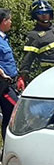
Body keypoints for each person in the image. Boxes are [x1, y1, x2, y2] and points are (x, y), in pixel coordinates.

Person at [0, 9, 23, 143]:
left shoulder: (4, 38)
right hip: (4, 85)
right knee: (16, 111)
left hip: (11, 83)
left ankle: (6, 149)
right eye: (9, 19)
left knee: (9, 116)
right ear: (3, 21)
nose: (11, 22)